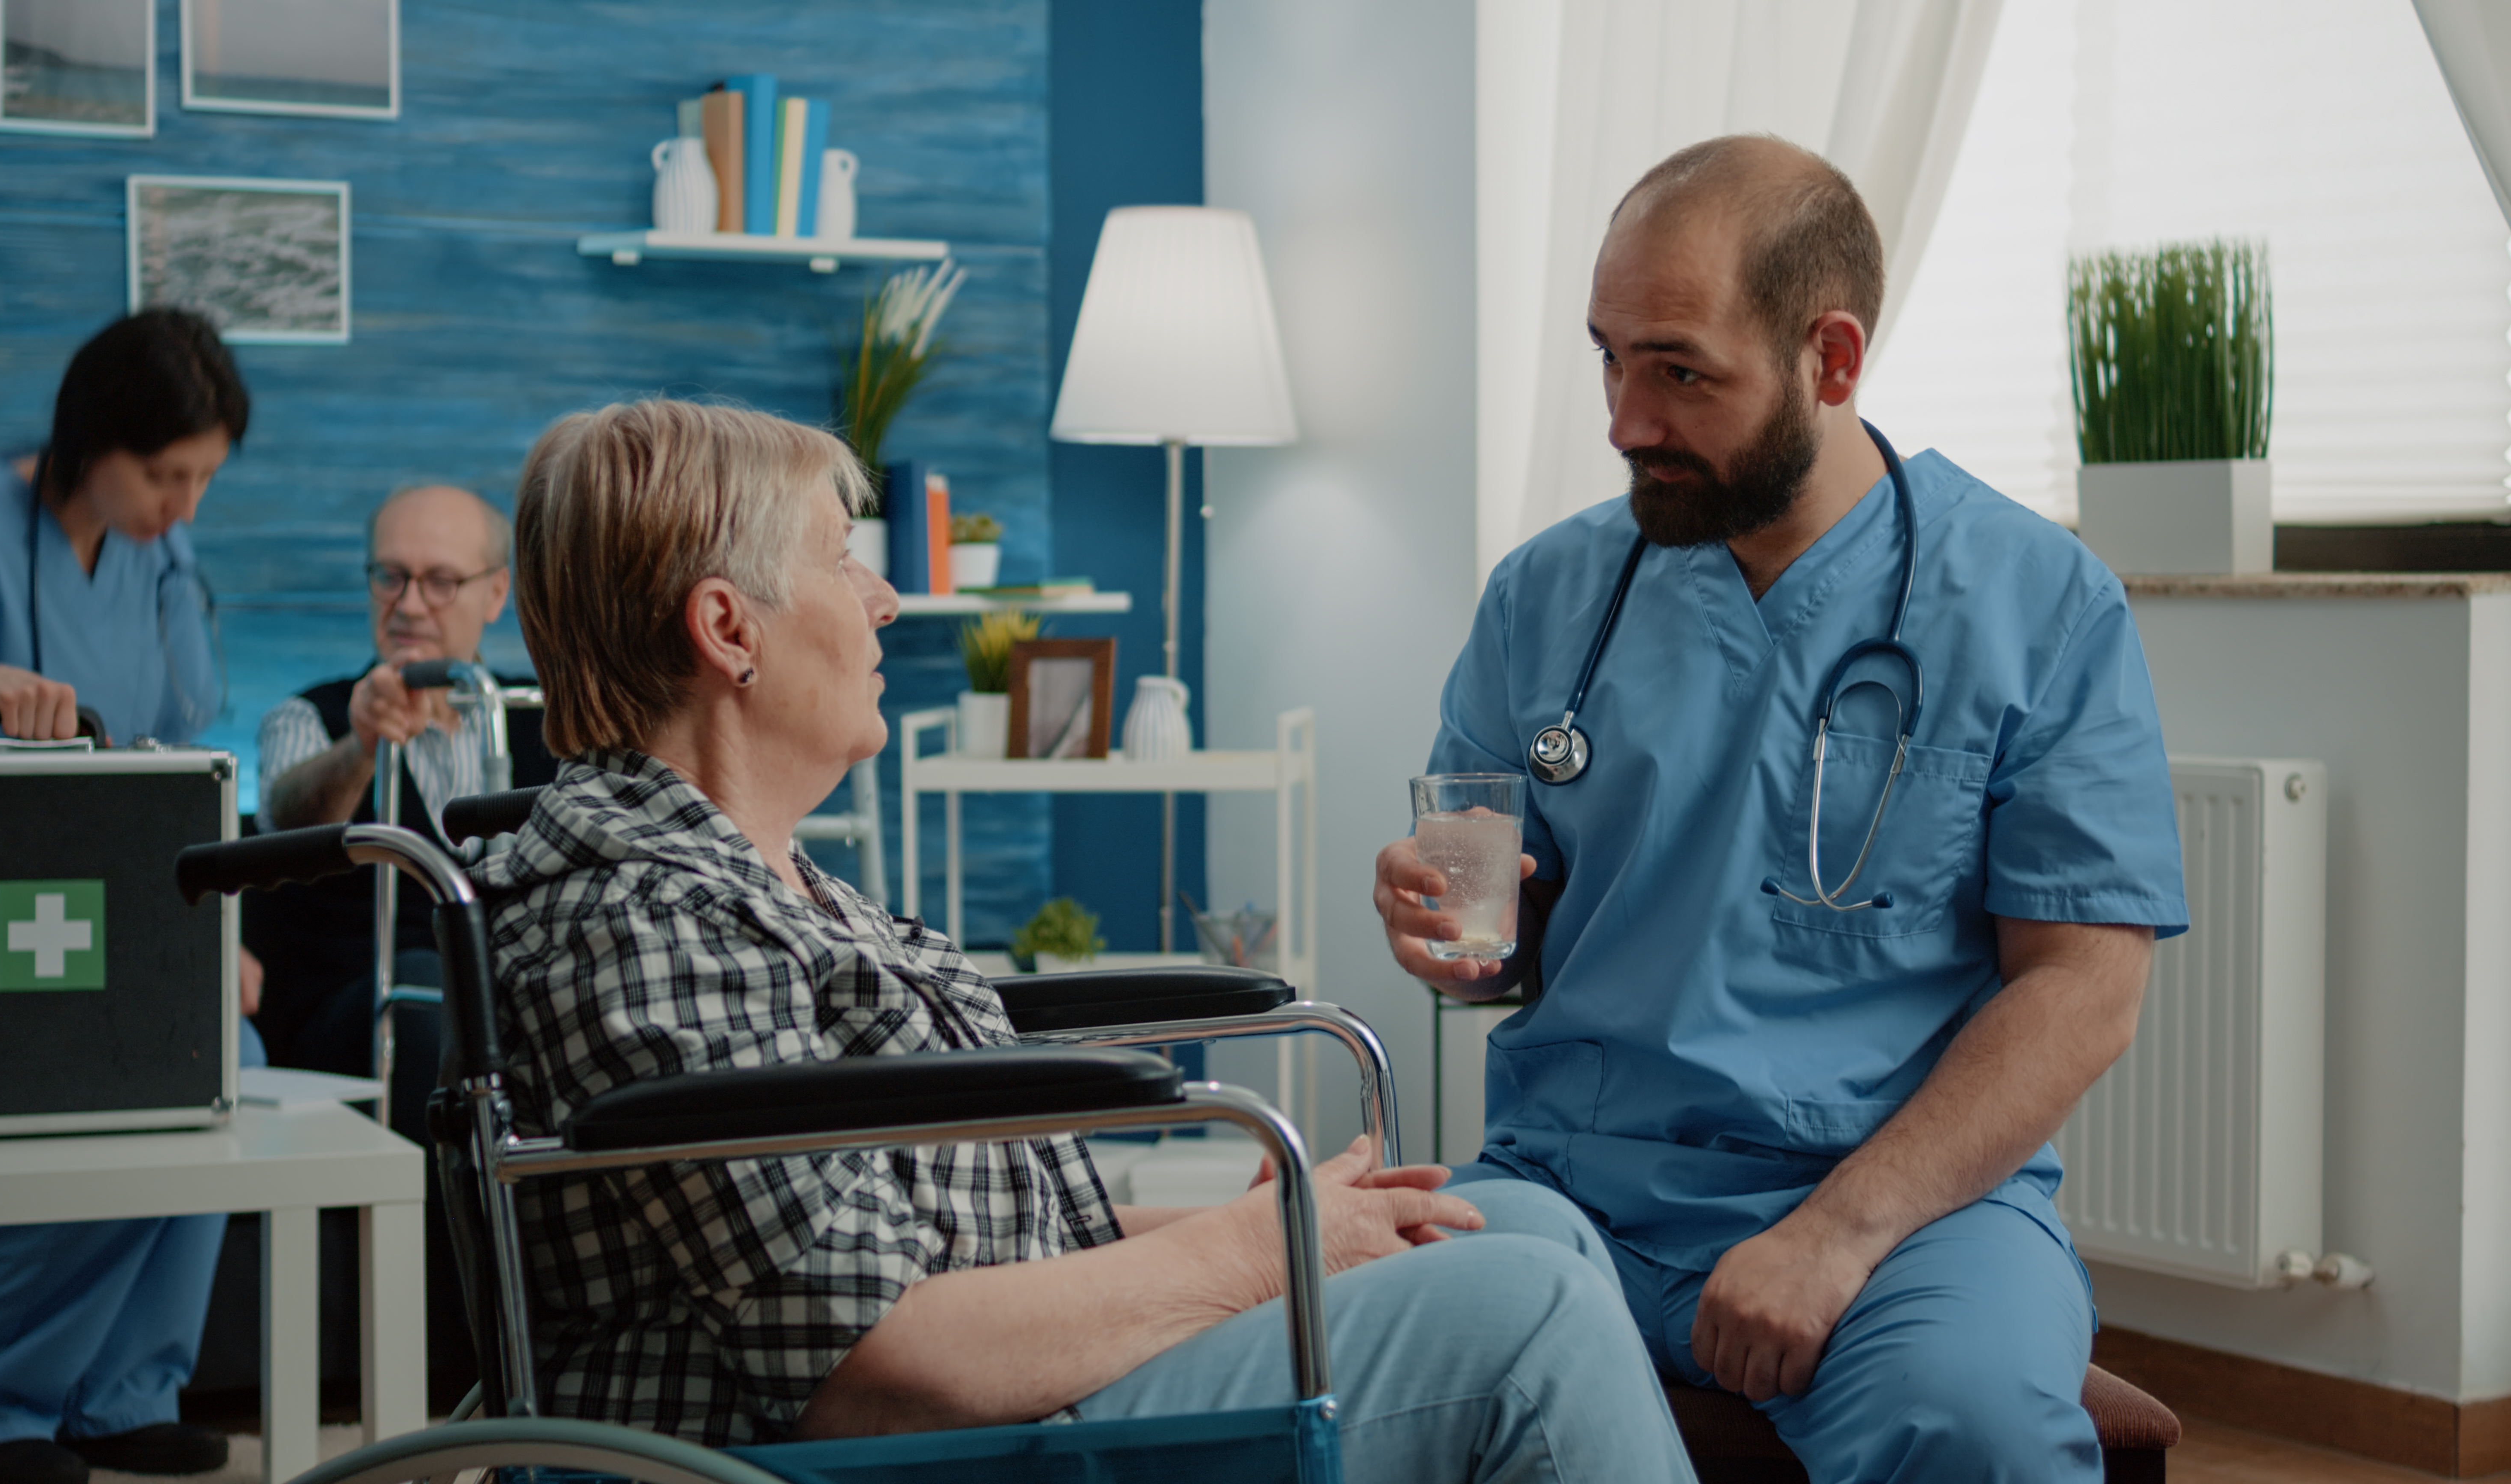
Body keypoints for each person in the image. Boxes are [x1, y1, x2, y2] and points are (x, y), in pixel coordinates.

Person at [472, 398, 1697, 1482]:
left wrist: (1280, 1227)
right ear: (730, 631)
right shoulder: (644, 916)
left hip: (1008, 1388)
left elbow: (947, 1242)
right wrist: (1253, 1255)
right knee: (1527, 1312)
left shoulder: (761, 881)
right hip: (924, 1444)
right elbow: (876, 1369)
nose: (883, 600)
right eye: (844, 563)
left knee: (1527, 1226)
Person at [1373, 136, 2190, 1484]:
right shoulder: (1546, 597)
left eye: (1679, 370)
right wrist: (1446, 929)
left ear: (1834, 359)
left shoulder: (2038, 603)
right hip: (1575, 1182)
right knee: (1376, 1363)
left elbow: (2083, 991)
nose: (1628, 419)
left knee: (1974, 1427)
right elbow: (1495, 952)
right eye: (1610, 358)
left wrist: (1839, 1233)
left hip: (1910, 1202)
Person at [0, 309, 258, 1484]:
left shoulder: (158, 555)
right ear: (90, 439)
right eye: (163, 474)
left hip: (111, 899)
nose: (182, 507)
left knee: (216, 1042)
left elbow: (180, 752)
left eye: (201, 479)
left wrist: (219, 937)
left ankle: (121, 1392)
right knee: (108, 1061)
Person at [248, 484, 554, 1085]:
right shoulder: (309, 718)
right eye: (391, 577)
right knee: (422, 986)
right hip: (359, 1013)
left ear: (496, 593)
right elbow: (287, 829)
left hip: (516, 1006)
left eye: (441, 581)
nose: (410, 605)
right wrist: (361, 747)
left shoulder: (547, 716)